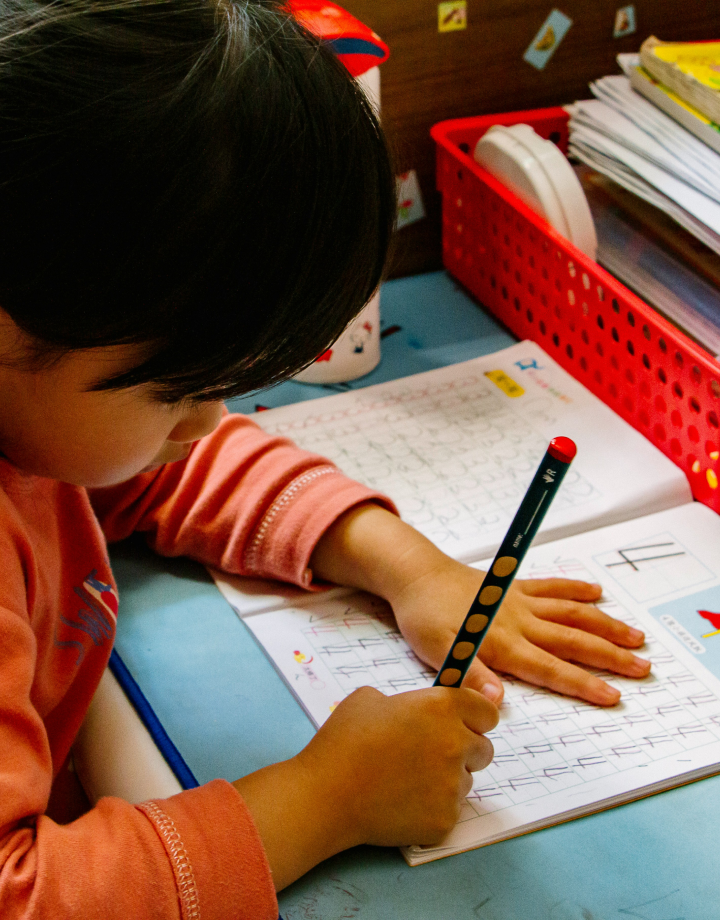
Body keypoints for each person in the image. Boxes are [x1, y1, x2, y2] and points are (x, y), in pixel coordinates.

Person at [0, 1, 651, 917]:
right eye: (179, 390)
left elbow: (166, 465)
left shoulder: (36, 402)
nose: (208, 420)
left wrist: (407, 566)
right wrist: (326, 799)